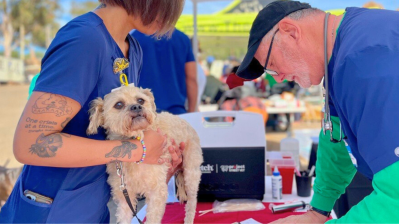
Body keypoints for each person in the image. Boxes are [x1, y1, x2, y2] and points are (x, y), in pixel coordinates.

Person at [0, 1, 186, 223]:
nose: (172, 13)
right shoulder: (84, 40)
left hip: (95, 208)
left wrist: (156, 161)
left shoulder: (133, 48)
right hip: (54, 211)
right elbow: (31, 143)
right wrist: (139, 150)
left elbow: (115, 138)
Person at [227, 1, 399, 223]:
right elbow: (335, 138)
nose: (277, 78)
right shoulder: (340, 58)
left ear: (290, 32)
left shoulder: (364, 60)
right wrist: (318, 212)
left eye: (271, 65)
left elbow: (395, 197)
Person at [132, 29, 198, 115]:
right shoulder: (182, 38)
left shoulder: (134, 37)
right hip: (176, 112)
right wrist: (191, 112)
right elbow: (191, 78)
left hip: (143, 112)